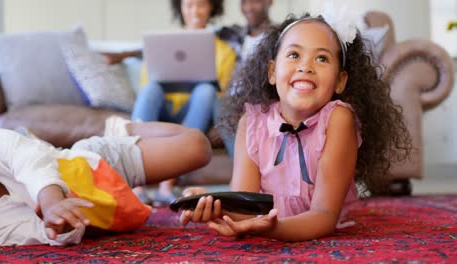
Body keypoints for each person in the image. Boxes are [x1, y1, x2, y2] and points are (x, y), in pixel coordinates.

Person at [178, 10, 412, 242]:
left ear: (340, 81)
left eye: (321, 58)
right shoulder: (251, 122)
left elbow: (323, 215)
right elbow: (244, 209)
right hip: (268, 221)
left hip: (313, 222)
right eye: (293, 55)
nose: (306, 67)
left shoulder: (338, 119)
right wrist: (217, 205)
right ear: (272, 71)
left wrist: (269, 229)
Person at [0, 121, 212, 246]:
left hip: (93, 165)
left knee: (198, 147)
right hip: (103, 211)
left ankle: (125, 129)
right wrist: (59, 228)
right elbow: (32, 235)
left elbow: (31, 160)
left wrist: (51, 200)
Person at [131, 0, 236, 206]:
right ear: (180, 8)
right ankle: (137, 188)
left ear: (211, 8)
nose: (195, 11)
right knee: (152, 88)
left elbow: (220, 96)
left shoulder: (225, 52)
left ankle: (166, 187)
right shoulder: (161, 44)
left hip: (195, 113)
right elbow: (146, 85)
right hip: (162, 110)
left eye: (201, 5)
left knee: (206, 90)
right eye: (189, 5)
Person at [214, 0, 273, 159]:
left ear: (270, 2)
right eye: (244, 2)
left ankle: (246, 171)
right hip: (230, 98)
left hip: (259, 96)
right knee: (216, 101)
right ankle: (242, 169)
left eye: (255, 2)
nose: (248, 8)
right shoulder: (232, 34)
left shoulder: (278, 36)